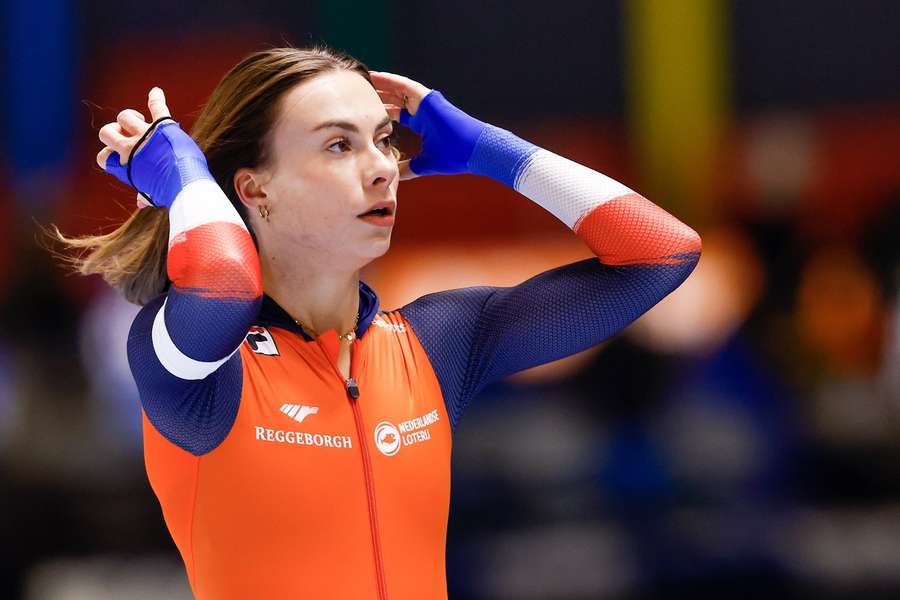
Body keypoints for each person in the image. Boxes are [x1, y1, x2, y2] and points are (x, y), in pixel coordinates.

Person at [51, 45, 701, 599]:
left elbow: (661, 255)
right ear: (254, 190)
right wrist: (188, 178)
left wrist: (492, 151)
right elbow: (224, 282)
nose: (384, 166)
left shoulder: (437, 342)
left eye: (384, 139)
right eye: (339, 144)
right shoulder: (201, 363)